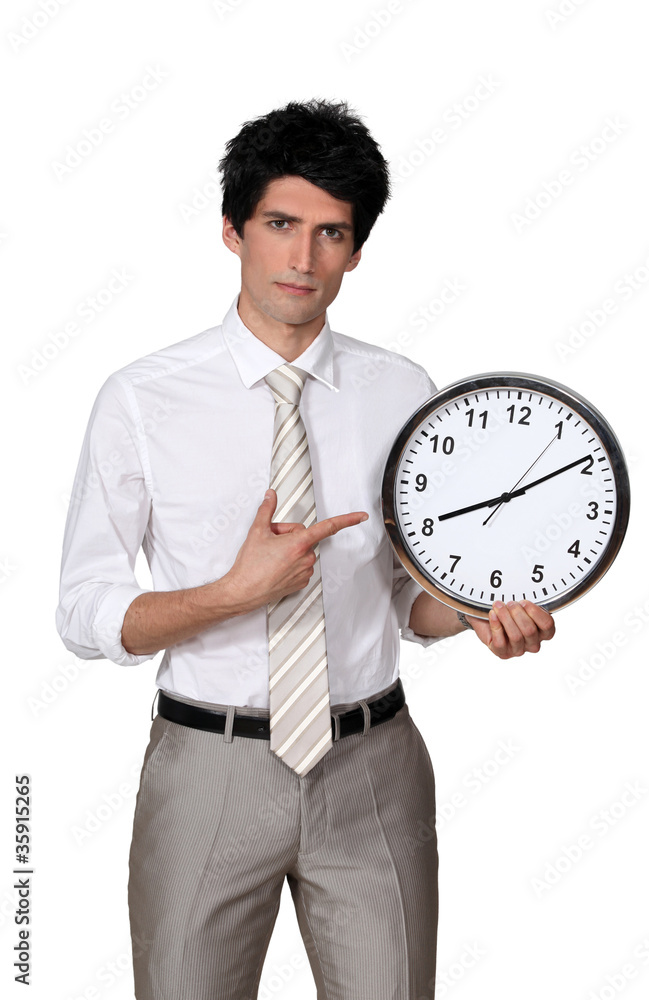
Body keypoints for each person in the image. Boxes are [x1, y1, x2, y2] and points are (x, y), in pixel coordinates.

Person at [56, 98, 555, 1000]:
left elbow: (413, 601)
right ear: (231, 229)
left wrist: (480, 614)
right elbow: (84, 613)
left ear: (357, 250)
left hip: (374, 768)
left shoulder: (401, 390)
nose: (302, 259)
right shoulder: (141, 396)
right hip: (207, 769)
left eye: (331, 234)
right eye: (280, 225)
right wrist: (229, 594)